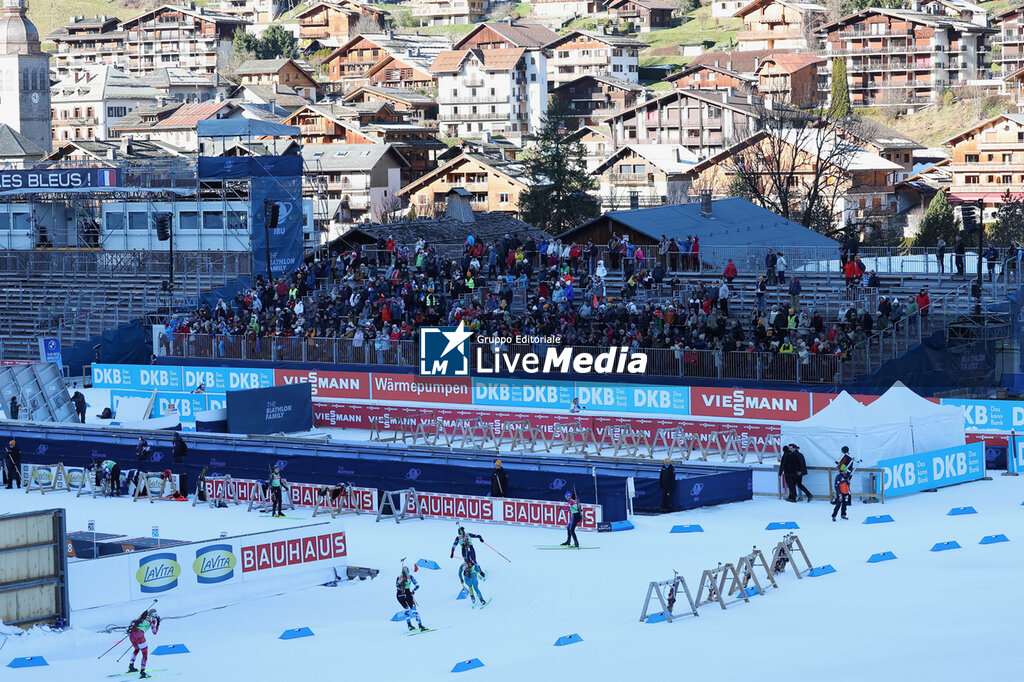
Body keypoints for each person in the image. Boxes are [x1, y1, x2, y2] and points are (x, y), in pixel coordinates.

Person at [126, 607, 160, 679]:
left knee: (136, 649)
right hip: (139, 636)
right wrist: (158, 623)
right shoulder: (152, 620)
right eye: (155, 614)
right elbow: (154, 632)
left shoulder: (143, 616)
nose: (156, 616)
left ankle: (131, 667)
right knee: (144, 653)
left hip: (132, 635)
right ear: (153, 615)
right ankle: (142, 672)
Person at [395, 566, 427, 632]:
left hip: (399, 595)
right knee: (414, 610)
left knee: (406, 609)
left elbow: (396, 585)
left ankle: (409, 626)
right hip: (407, 594)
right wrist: (413, 591)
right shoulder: (410, 576)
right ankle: (420, 626)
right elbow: (417, 585)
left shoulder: (398, 578)